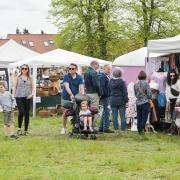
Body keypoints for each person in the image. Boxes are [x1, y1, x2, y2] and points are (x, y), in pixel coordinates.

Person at [61, 63, 84, 134]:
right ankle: (64, 128)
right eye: (69, 68)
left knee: (76, 112)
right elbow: (67, 87)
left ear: (76, 69)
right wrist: (71, 94)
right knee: (65, 113)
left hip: (76, 98)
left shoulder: (79, 77)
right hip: (66, 97)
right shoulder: (66, 77)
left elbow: (81, 87)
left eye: (72, 68)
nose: (71, 70)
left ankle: (75, 127)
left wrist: (82, 95)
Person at [13, 64, 34, 136]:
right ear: (21, 69)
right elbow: (14, 87)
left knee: (27, 113)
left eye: (26, 68)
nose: (24, 70)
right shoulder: (17, 77)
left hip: (28, 97)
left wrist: (32, 94)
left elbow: (33, 87)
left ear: (28, 70)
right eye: (23, 68)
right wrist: (13, 96)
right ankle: (19, 128)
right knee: (21, 112)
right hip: (19, 97)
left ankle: (26, 130)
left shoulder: (30, 78)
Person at [110, 68, 128, 135]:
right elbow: (125, 92)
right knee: (122, 116)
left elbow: (109, 90)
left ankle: (116, 131)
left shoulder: (110, 81)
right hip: (121, 100)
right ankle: (123, 131)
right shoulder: (122, 82)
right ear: (120, 74)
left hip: (113, 100)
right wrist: (127, 101)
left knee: (114, 117)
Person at [84, 60, 102, 128]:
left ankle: (88, 124)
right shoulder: (93, 72)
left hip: (87, 93)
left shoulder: (86, 72)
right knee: (94, 109)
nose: (98, 66)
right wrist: (100, 93)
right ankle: (93, 125)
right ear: (94, 64)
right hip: (94, 93)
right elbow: (96, 85)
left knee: (88, 110)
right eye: (98, 65)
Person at [99, 64, 113, 133]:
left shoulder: (107, 76)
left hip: (107, 96)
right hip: (105, 97)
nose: (109, 71)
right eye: (108, 69)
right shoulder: (102, 77)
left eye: (110, 69)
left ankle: (101, 127)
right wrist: (107, 94)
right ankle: (106, 128)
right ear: (104, 69)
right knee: (107, 112)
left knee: (105, 112)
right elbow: (102, 88)